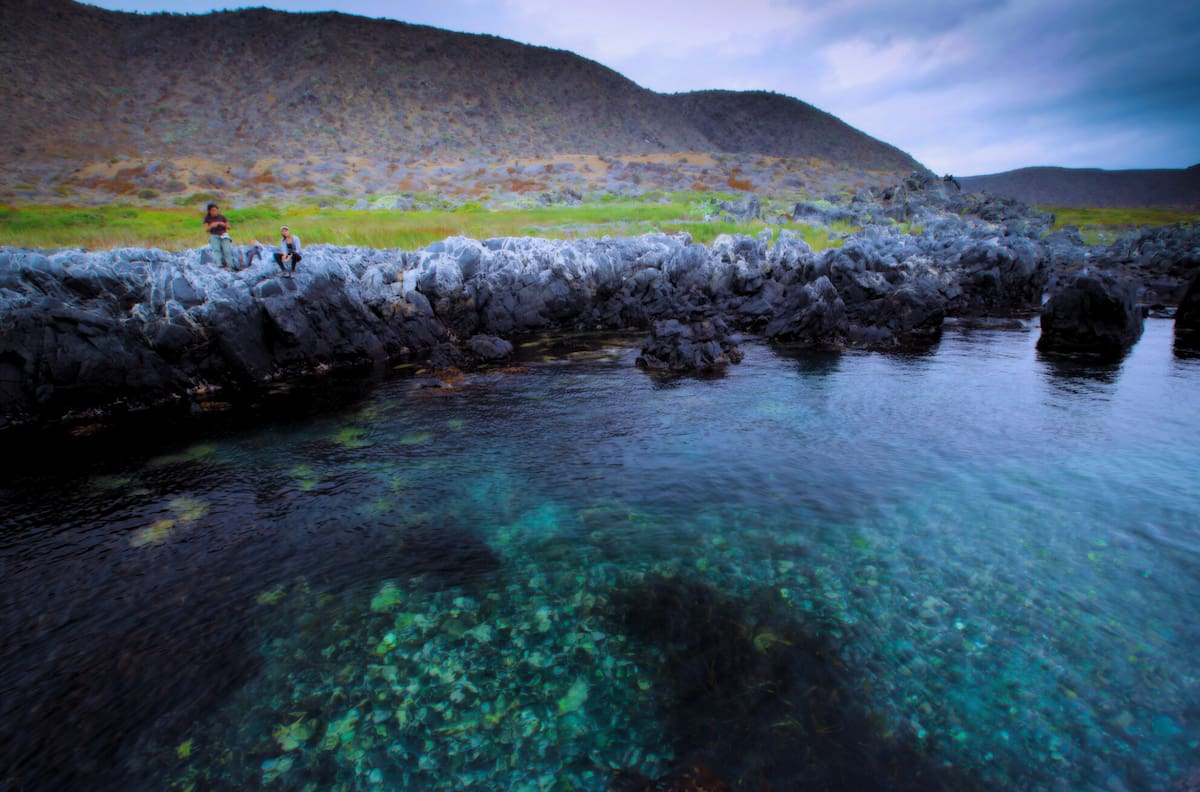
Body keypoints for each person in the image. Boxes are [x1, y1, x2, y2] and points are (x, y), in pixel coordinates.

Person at [203, 202, 236, 269]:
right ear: (209, 211)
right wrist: (212, 225)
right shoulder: (207, 219)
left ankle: (230, 265)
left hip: (224, 235)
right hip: (214, 235)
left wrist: (222, 224)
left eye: (216, 210)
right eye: (213, 210)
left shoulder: (222, 217)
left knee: (227, 250)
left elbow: (229, 227)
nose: (215, 212)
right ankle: (219, 265)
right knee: (216, 250)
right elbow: (206, 229)